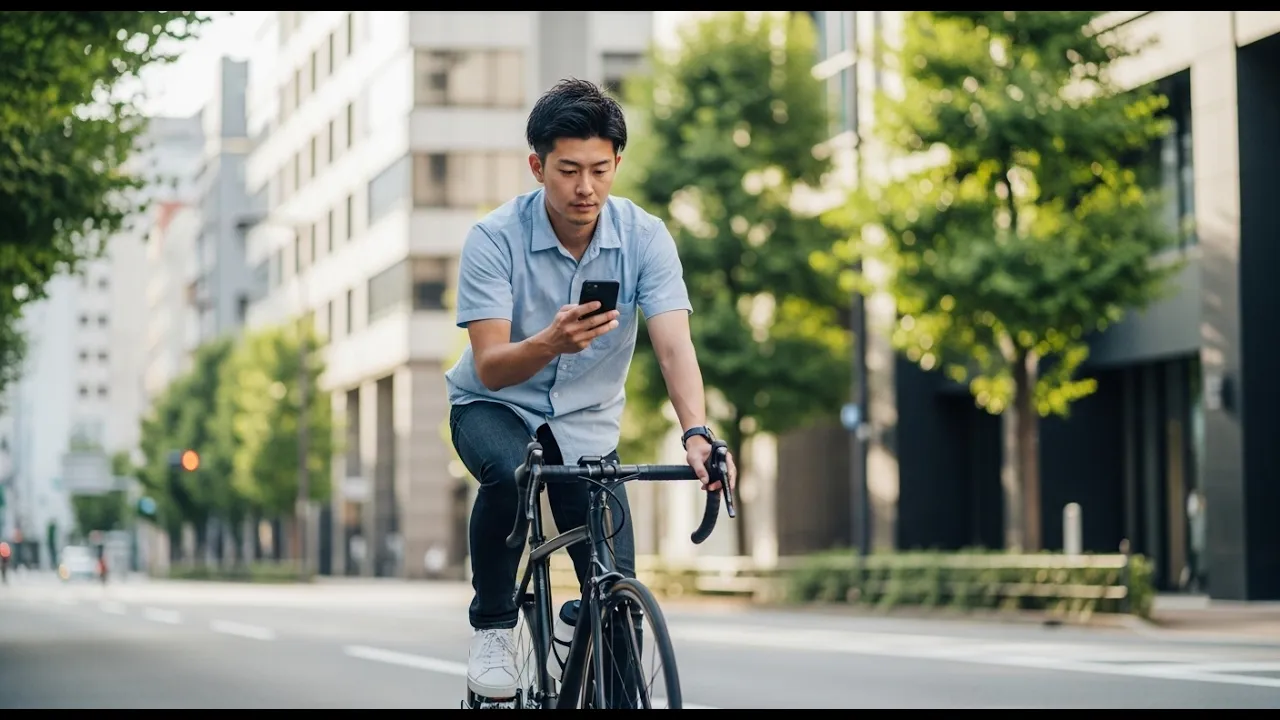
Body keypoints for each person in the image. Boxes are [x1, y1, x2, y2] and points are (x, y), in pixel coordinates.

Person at [443, 78, 738, 702]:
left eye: (600, 170)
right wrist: (550, 342)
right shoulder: (493, 239)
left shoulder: (644, 237)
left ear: (616, 165)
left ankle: (607, 640)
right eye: (568, 170)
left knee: (616, 597)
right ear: (537, 166)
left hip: (585, 426)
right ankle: (494, 626)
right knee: (510, 472)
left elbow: (673, 344)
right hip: (493, 406)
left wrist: (697, 432)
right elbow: (492, 366)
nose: (585, 188)